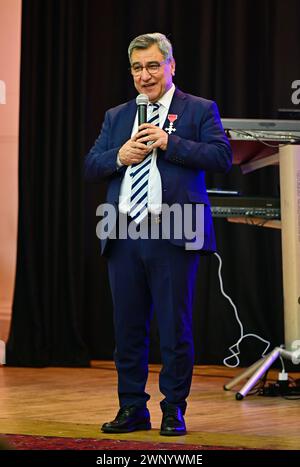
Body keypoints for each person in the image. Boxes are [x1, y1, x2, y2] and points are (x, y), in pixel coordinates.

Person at [84, 32, 232, 436]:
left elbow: (222, 157)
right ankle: (132, 408)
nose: (145, 75)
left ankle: (173, 409)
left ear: (171, 66)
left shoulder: (199, 110)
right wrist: (119, 156)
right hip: (123, 231)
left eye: (152, 65)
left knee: (174, 328)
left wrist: (170, 142)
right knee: (127, 330)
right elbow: (91, 166)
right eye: (137, 67)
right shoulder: (118, 116)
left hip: (173, 229)